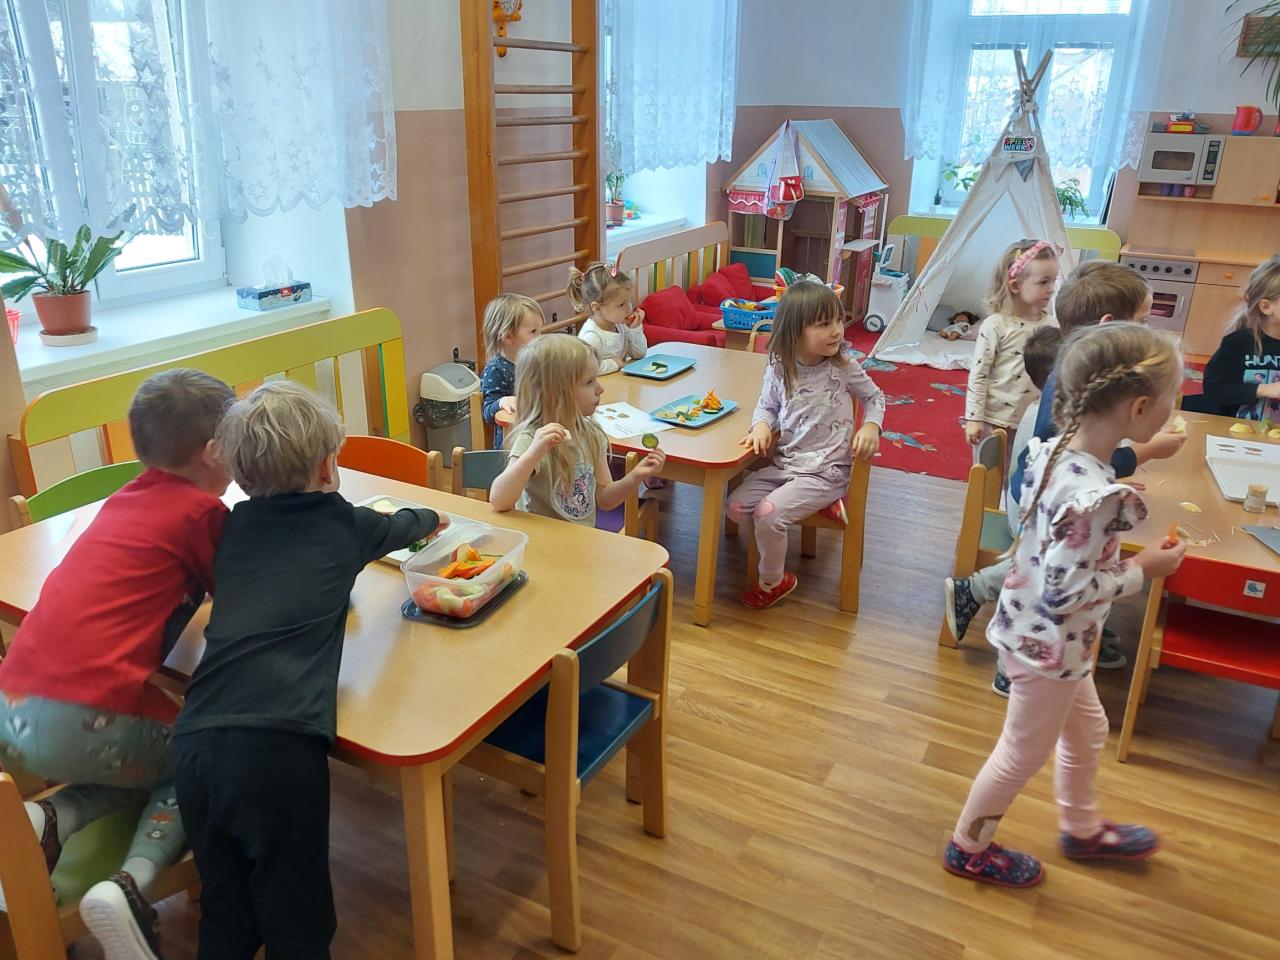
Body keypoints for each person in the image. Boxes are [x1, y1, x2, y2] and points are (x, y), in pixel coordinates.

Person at [173, 381, 440, 960]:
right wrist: (433, 515)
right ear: (326, 467)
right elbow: (405, 525)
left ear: (239, 472)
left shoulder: (230, 528)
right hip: (277, 748)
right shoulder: (343, 523)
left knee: (227, 909)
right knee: (298, 919)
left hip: (195, 741)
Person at [0, 369, 234, 960]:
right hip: (84, 720)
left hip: (14, 709)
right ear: (215, 451)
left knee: (145, 758)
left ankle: (49, 815)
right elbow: (242, 592)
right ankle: (129, 886)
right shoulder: (202, 514)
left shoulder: (124, 498)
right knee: (200, 757)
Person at [943, 322, 1185, 888]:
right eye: (1171, 398)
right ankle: (967, 848)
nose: (1173, 409)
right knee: (1019, 755)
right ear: (1140, 408)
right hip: (1046, 647)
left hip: (1044, 637)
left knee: (1089, 729)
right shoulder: (1092, 496)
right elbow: (1065, 593)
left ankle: (1081, 827)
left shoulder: (1054, 450)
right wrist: (1142, 570)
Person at [944, 261, 1186, 693]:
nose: (1147, 330)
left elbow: (1081, 461)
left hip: (1046, 523)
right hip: (1043, 623)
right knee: (1047, 565)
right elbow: (1061, 586)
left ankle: (1016, 627)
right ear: (1108, 327)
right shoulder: (1080, 407)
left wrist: (1107, 478)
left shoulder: (1083, 386)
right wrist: (1140, 567)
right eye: (1143, 320)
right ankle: (1001, 638)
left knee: (1052, 563)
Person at [727, 281, 886, 608]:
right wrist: (761, 425)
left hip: (826, 472)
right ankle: (815, 506)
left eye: (838, 320)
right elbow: (766, 405)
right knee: (734, 507)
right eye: (824, 324)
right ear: (795, 331)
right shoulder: (779, 364)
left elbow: (875, 397)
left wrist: (871, 426)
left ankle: (773, 582)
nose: (837, 330)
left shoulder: (843, 366)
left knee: (768, 514)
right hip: (786, 465)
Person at [490, 334, 665, 525]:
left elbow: (604, 500)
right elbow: (499, 500)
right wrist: (532, 455)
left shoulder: (592, 434)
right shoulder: (532, 439)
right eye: (589, 382)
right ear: (555, 392)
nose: (600, 389)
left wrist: (635, 476)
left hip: (581, 539)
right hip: (542, 541)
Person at [963, 239, 1059, 447]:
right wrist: (974, 418)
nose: (1052, 288)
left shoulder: (1052, 325)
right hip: (994, 420)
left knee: (1023, 466)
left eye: (1054, 280)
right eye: (1044, 282)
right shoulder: (996, 325)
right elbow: (979, 374)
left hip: (1033, 421)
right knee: (989, 466)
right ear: (1016, 285)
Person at [1200, 254, 1280, 421]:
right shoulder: (1238, 342)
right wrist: (1263, 389)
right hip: (1231, 431)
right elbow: (1214, 390)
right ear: (1266, 307)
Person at [479, 293, 543, 448]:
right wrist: (501, 402)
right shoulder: (496, 369)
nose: (540, 336)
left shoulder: (536, 360)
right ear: (508, 336)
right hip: (513, 445)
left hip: (539, 432)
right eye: (534, 331)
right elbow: (487, 412)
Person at [567, 261, 648, 374]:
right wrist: (614, 364)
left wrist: (635, 329)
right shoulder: (591, 336)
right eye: (621, 304)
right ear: (597, 308)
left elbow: (639, 354)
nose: (629, 308)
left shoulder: (621, 324)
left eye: (629, 301)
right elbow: (585, 368)